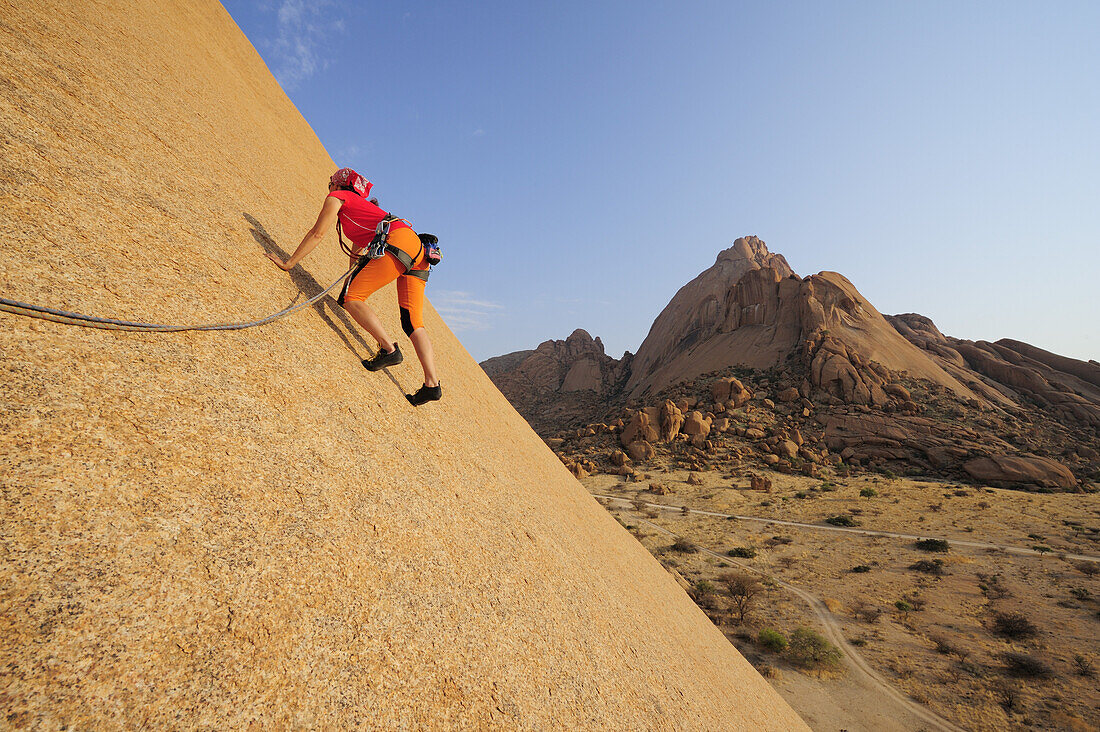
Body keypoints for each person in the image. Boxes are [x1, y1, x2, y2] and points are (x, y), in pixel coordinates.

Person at [266, 168, 442, 405]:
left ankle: (389, 350)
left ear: (339, 186)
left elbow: (317, 233)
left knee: (354, 300)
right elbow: (357, 255)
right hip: (417, 249)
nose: (328, 188)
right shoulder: (364, 212)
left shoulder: (339, 199)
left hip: (399, 242)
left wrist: (289, 263)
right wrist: (347, 287)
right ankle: (432, 385)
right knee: (412, 322)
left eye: (330, 183)